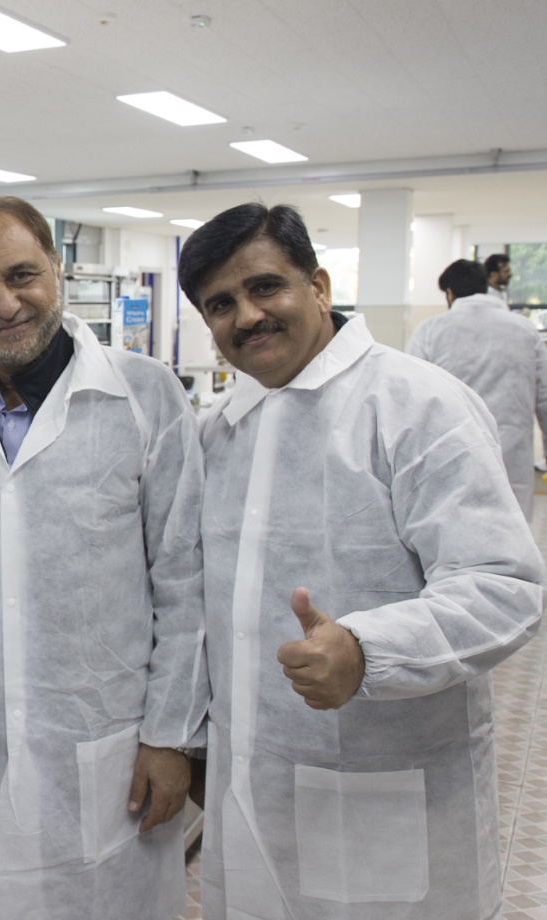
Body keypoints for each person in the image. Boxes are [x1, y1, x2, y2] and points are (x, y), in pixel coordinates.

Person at [179, 202, 544, 920]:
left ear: (317, 284)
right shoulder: (220, 431)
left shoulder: (416, 404)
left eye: (265, 288)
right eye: (220, 305)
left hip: (385, 792)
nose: (246, 315)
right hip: (252, 789)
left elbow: (504, 586)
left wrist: (367, 649)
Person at [0, 196, 208, 920]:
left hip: (112, 751)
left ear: (57, 269)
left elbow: (185, 581)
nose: (6, 303)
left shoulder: (144, 397)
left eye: (23, 274)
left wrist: (171, 737)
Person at [406, 258, 547, 517]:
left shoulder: (431, 330)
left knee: (455, 530)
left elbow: (409, 397)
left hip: (448, 450)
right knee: (511, 532)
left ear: (450, 293)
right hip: (512, 450)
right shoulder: (525, 330)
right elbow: (545, 398)